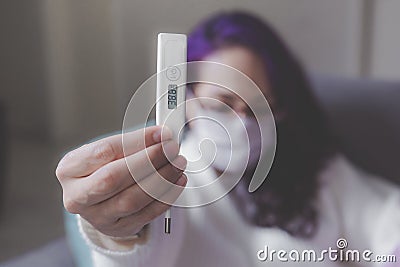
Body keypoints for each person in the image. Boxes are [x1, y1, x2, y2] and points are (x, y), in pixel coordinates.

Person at [56, 11, 400, 267]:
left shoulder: (313, 168)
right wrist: (118, 229)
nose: (241, 122)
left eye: (261, 106)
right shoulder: (167, 185)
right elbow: (143, 252)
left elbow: (385, 216)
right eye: (223, 103)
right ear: (187, 100)